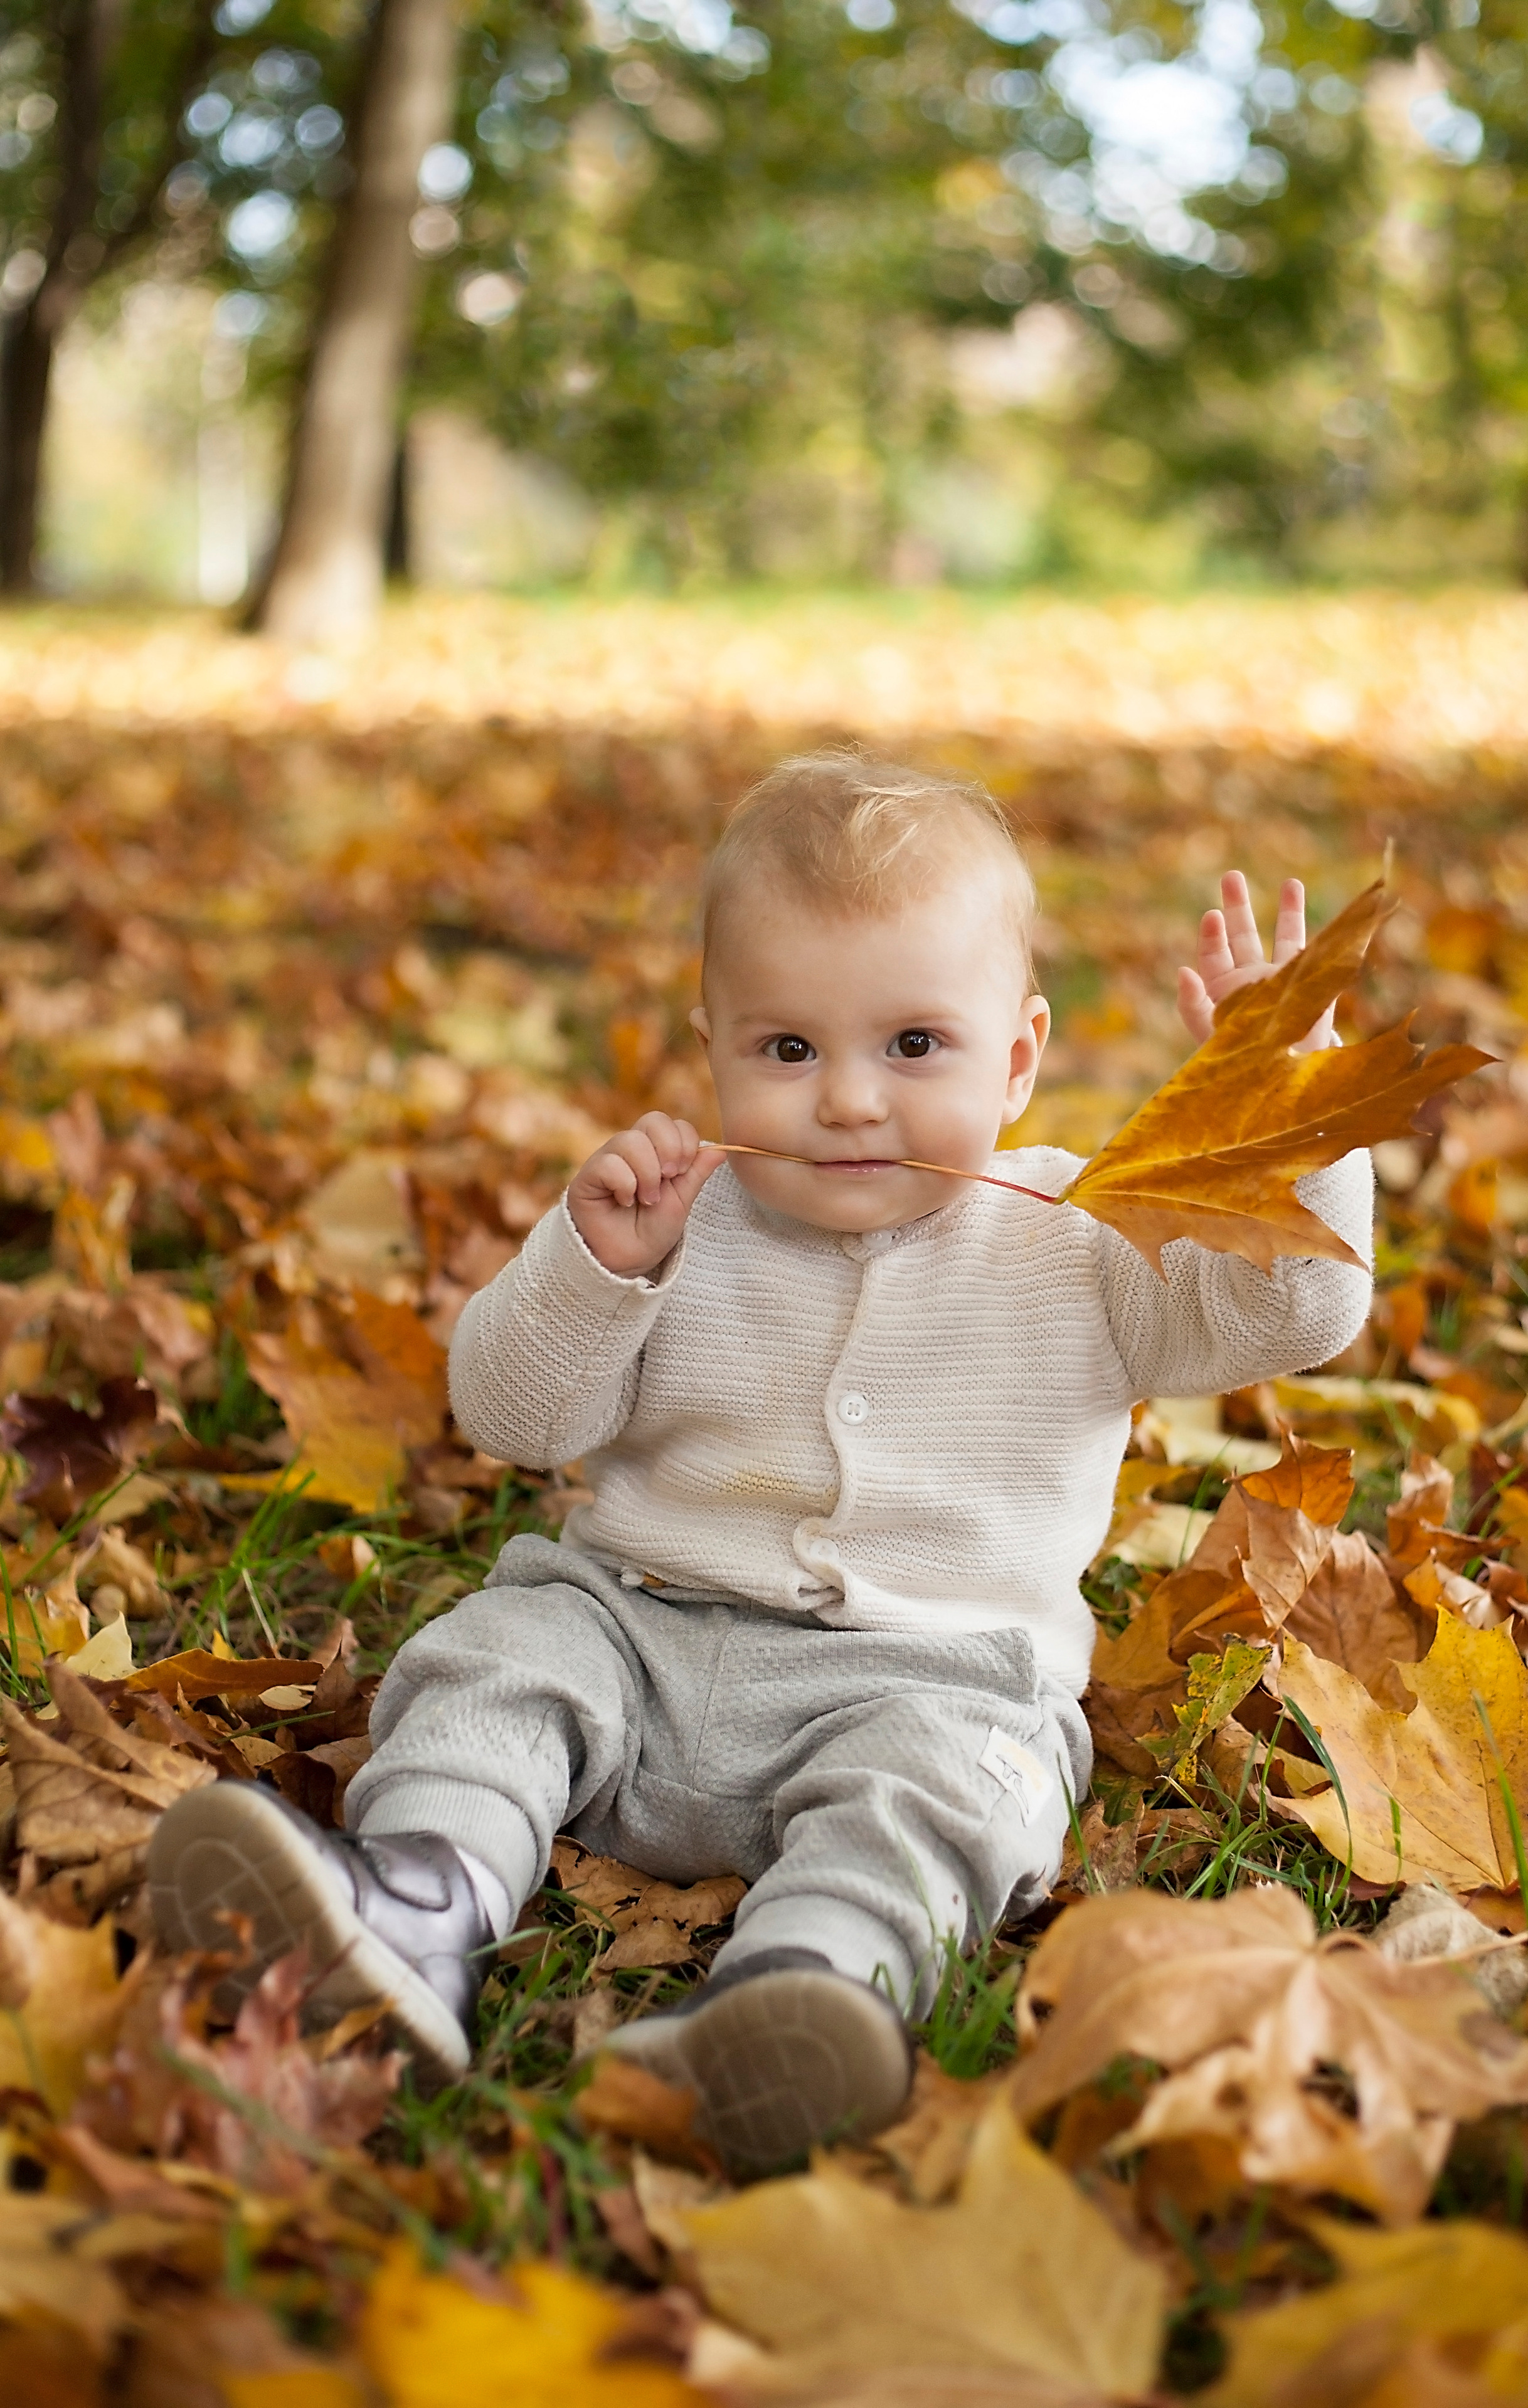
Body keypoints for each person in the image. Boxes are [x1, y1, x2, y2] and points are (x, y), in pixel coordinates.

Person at [150, 750, 1372, 2177]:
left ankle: (805, 1991)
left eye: (913, 1045)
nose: (846, 1100)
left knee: (952, 1789)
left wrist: (1289, 1109)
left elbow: (1295, 1309)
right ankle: (420, 1898)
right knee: (502, 1656)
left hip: (930, 1680)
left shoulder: (1083, 1240)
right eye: (788, 1050)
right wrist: (595, 1272)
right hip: (642, 1639)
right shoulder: (679, 1220)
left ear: (1018, 1057)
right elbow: (512, 1418)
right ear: (714, 1049)